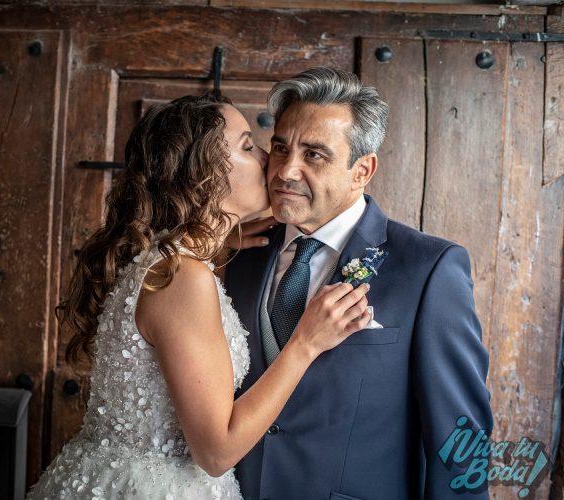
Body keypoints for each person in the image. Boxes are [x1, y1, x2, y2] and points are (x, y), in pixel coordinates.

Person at [27, 92, 371, 499]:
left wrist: (218, 244)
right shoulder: (182, 277)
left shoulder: (172, 261)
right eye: (247, 146)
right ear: (205, 175)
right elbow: (216, 451)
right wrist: (305, 343)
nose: (268, 159)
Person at [226, 67, 494, 499]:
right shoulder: (239, 254)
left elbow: (460, 441)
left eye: (314, 154)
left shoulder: (428, 269)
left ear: (362, 170)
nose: (286, 171)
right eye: (280, 148)